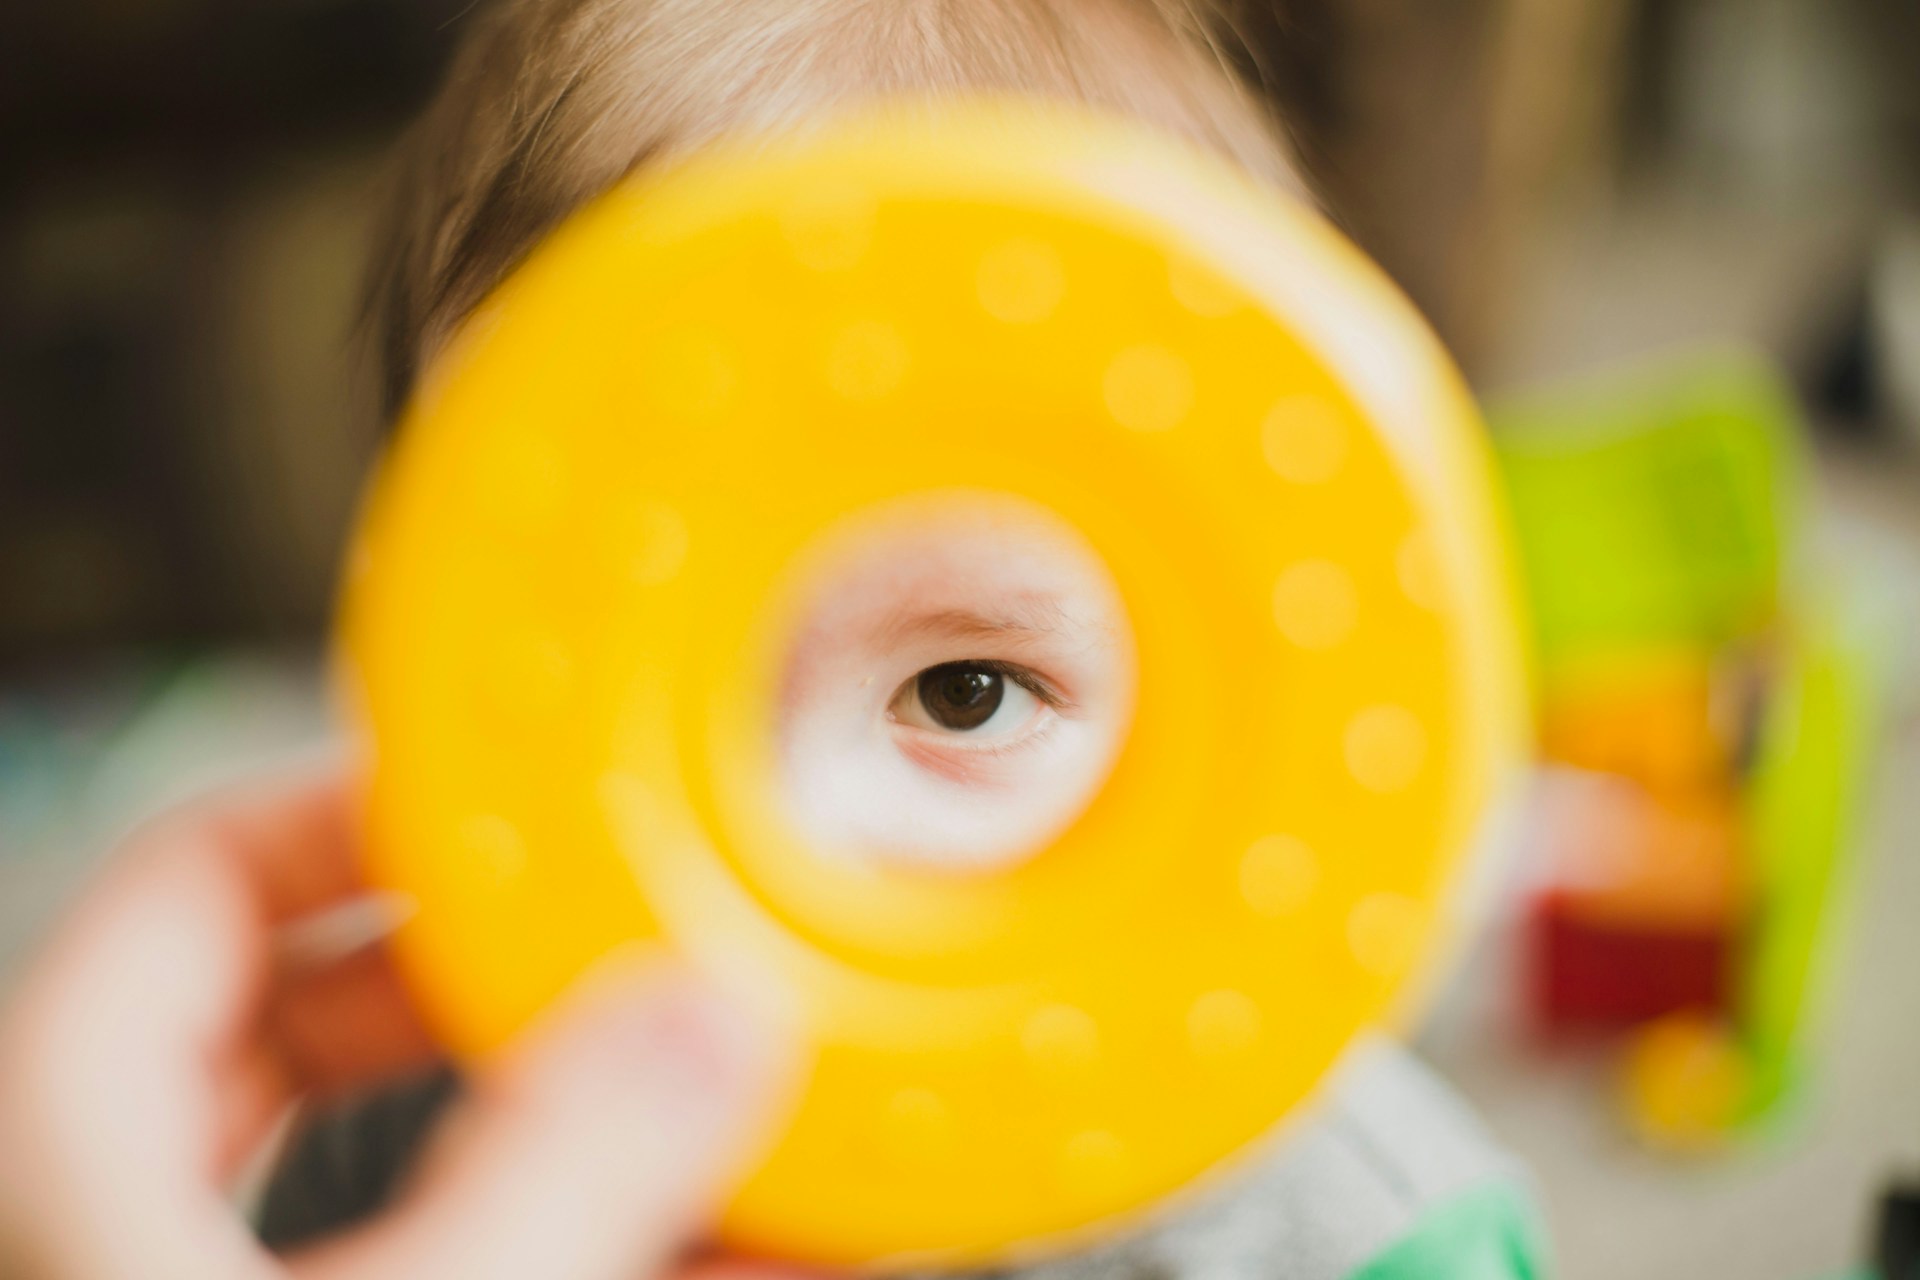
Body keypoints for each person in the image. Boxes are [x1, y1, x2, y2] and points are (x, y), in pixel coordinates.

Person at [1, 2, 1549, 1276]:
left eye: (967, 688)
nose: (785, 853)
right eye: (643, 672)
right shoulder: (409, 1161)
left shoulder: (1357, 1230)